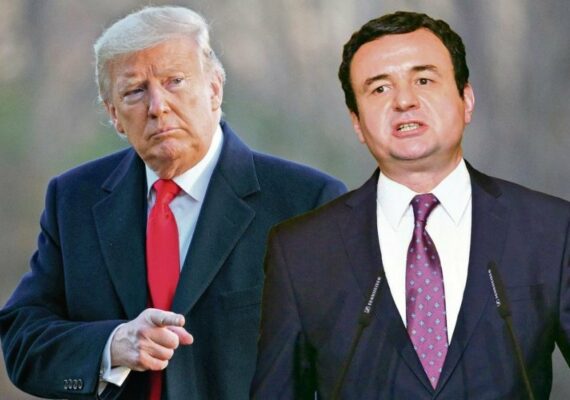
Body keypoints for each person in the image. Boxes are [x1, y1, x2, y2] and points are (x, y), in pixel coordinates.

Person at [0, 6, 346, 400]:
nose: (157, 106)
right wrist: (111, 345)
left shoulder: (307, 203)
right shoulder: (74, 200)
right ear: (114, 115)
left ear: (214, 88)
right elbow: (23, 340)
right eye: (135, 91)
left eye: (175, 81)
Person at [251, 11, 570, 399]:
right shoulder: (301, 250)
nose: (404, 101)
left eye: (423, 80)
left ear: (466, 99)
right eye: (380, 89)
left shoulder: (551, 229)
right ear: (356, 122)